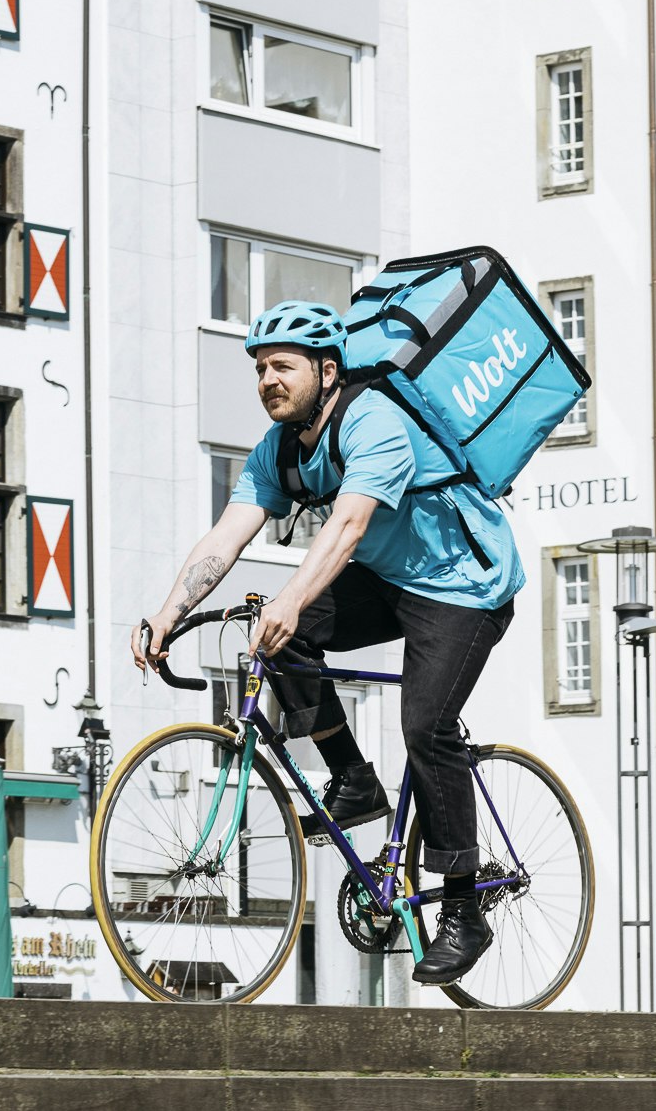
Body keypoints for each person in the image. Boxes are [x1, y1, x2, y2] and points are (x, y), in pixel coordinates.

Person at [129, 299, 525, 984]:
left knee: (426, 724)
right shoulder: (280, 449)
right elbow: (226, 534)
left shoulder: (374, 420)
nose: (266, 380)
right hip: (393, 579)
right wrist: (166, 614)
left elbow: (345, 527)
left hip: (466, 584)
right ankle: (354, 778)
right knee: (277, 635)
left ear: (327, 369)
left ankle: (464, 907)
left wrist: (291, 596)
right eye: (258, 368)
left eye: (282, 365)